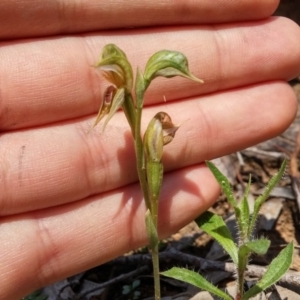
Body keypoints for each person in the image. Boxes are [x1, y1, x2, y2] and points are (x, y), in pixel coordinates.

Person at [0, 0, 299, 299]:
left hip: (143, 129)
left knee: (152, 194)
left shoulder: (133, 95)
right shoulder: (121, 93)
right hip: (136, 116)